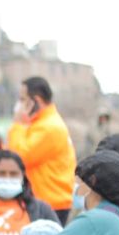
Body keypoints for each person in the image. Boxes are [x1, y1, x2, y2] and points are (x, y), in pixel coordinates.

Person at [7, 77, 77, 224]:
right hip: (48, 200)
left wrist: (18, 124)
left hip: (51, 203)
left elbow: (18, 158)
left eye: (22, 99)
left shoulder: (48, 127)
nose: (19, 105)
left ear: (36, 101)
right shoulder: (42, 123)